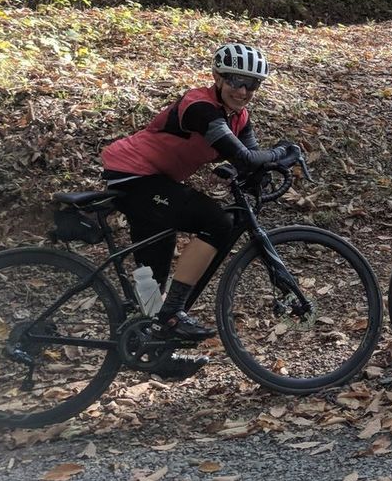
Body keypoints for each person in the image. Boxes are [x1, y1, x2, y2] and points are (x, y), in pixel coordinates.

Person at [100, 43, 302, 377]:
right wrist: (282, 152)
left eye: (252, 84)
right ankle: (173, 313)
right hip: (133, 174)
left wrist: (262, 173)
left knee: (154, 276)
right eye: (235, 80)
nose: (243, 91)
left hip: (157, 182)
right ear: (218, 78)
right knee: (216, 222)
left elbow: (249, 164)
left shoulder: (239, 118)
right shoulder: (199, 106)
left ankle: (154, 349)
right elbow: (244, 157)